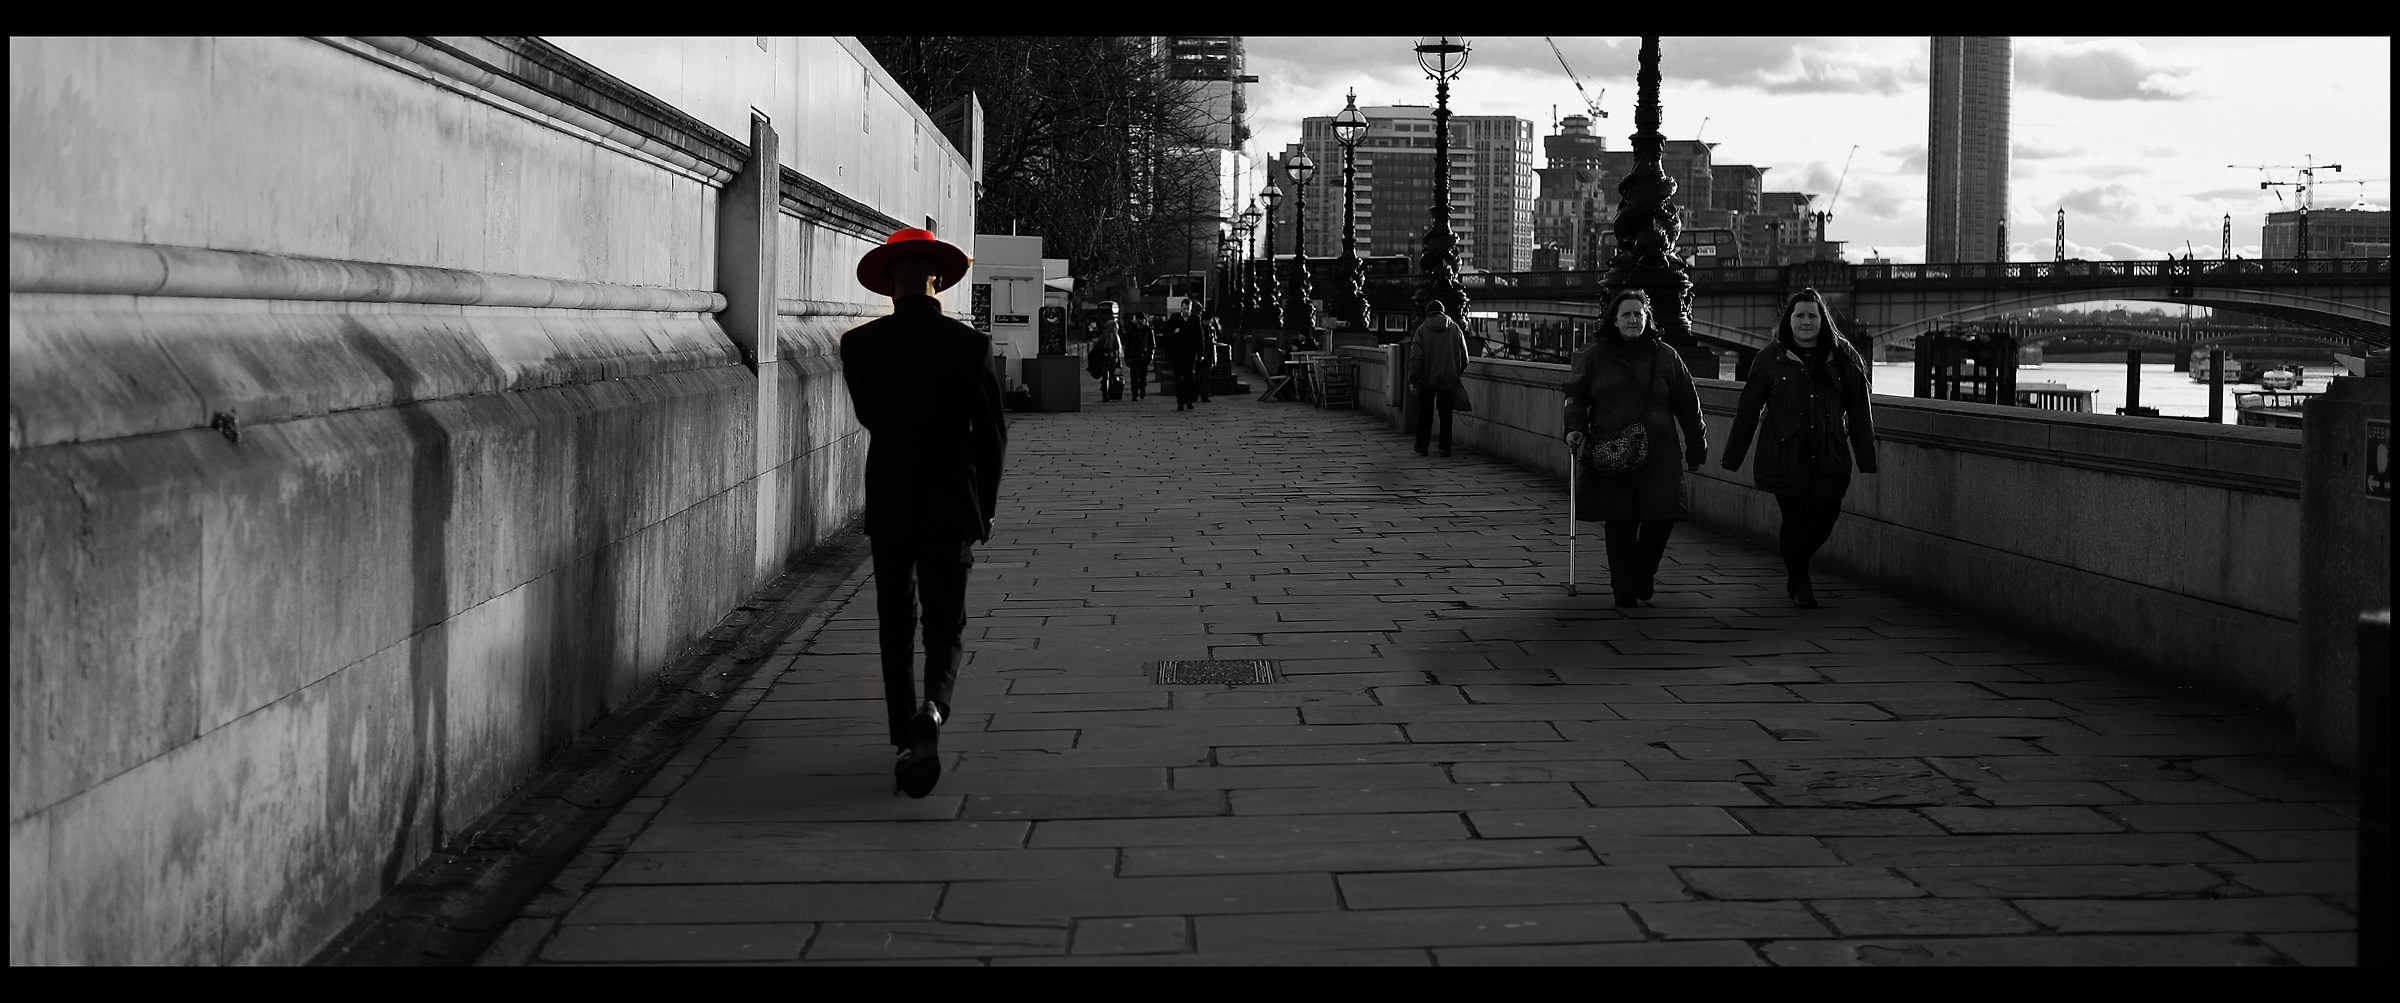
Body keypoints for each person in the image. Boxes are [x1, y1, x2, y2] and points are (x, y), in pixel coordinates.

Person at [839, 228, 1007, 798]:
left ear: (889, 286)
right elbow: (992, 439)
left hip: (890, 496)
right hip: (949, 501)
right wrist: (982, 507)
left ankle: (904, 733)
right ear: (938, 281)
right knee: (945, 621)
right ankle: (933, 712)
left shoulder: (859, 346)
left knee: (895, 620)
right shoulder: (970, 347)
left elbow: (870, 417)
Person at [1721, 287, 1879, 608]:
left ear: (1823, 320)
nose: (1806, 321)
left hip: (1829, 457)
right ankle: (1799, 580)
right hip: (1785, 455)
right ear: (1788, 321)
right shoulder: (1769, 359)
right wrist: (1732, 457)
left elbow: (1861, 413)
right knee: (1793, 519)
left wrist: (1866, 459)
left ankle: (1796, 563)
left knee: (1825, 518)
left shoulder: (1844, 358)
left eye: (1812, 315)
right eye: (1799, 315)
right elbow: (1748, 410)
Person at [1563, 289, 1708, 608]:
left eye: (1638, 314)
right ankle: (1623, 589)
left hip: (1659, 454)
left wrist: (1697, 447)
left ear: (1648, 318)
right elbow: (1576, 396)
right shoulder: (1594, 356)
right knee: (1620, 522)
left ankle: (1644, 573)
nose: (1632, 319)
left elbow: (1688, 404)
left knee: (1662, 517)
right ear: (1613, 320)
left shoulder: (1667, 356)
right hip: (1613, 451)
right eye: (1626, 314)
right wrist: (1574, 429)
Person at [1407, 301, 1470, 457]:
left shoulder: (1422, 330)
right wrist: (1454, 372)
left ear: (1428, 312)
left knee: (1425, 415)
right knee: (1446, 416)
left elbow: (1416, 358)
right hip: (1448, 381)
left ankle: (1422, 448)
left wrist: (1413, 379)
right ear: (1442, 312)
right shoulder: (1455, 329)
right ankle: (1445, 447)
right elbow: (1465, 357)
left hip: (1427, 380)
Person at [1162, 299, 1205, 411]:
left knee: (1189, 377)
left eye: (1188, 309)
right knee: (1178, 378)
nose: (1186, 311)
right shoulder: (1175, 318)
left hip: (1190, 353)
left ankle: (1189, 400)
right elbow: (1166, 334)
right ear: (1181, 307)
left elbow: (1200, 337)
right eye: (1185, 308)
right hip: (1178, 353)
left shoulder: (1195, 319)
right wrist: (1173, 333)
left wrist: (1201, 353)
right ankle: (1180, 402)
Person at [1123, 311, 1156, 401]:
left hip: (1144, 356)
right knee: (1134, 377)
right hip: (1134, 355)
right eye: (1139, 319)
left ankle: (1142, 390)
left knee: (1142, 377)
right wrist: (1126, 357)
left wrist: (1150, 355)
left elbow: (1152, 344)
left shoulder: (1148, 330)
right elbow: (1127, 344)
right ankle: (1134, 394)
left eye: (1142, 319)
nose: (1140, 321)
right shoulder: (1131, 329)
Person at [1198, 307, 1223, 403]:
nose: (1209, 322)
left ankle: (1204, 394)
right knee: (1199, 375)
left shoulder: (1212, 329)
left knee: (1206, 376)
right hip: (1201, 354)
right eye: (1208, 320)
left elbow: (1216, 339)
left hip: (1209, 354)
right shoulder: (1200, 329)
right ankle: (1198, 393)